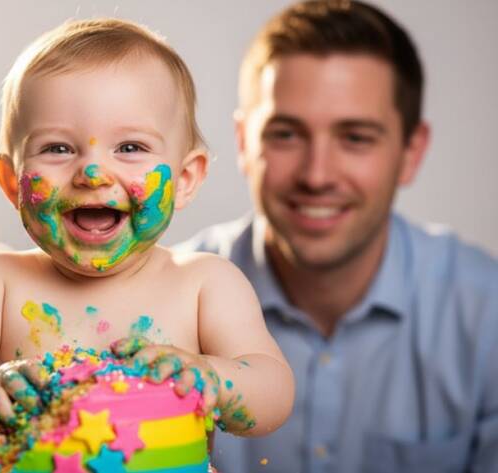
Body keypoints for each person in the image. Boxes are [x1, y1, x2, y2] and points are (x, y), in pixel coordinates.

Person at [0, 17, 294, 445]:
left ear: (185, 178)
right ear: (10, 181)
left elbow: (273, 393)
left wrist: (211, 379)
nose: (92, 173)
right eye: (57, 148)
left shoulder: (204, 284)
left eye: (130, 148)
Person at [176, 1, 498, 472]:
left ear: (412, 151)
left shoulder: (487, 314)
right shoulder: (153, 307)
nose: (317, 175)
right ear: (245, 143)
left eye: (356, 138)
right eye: (286, 134)